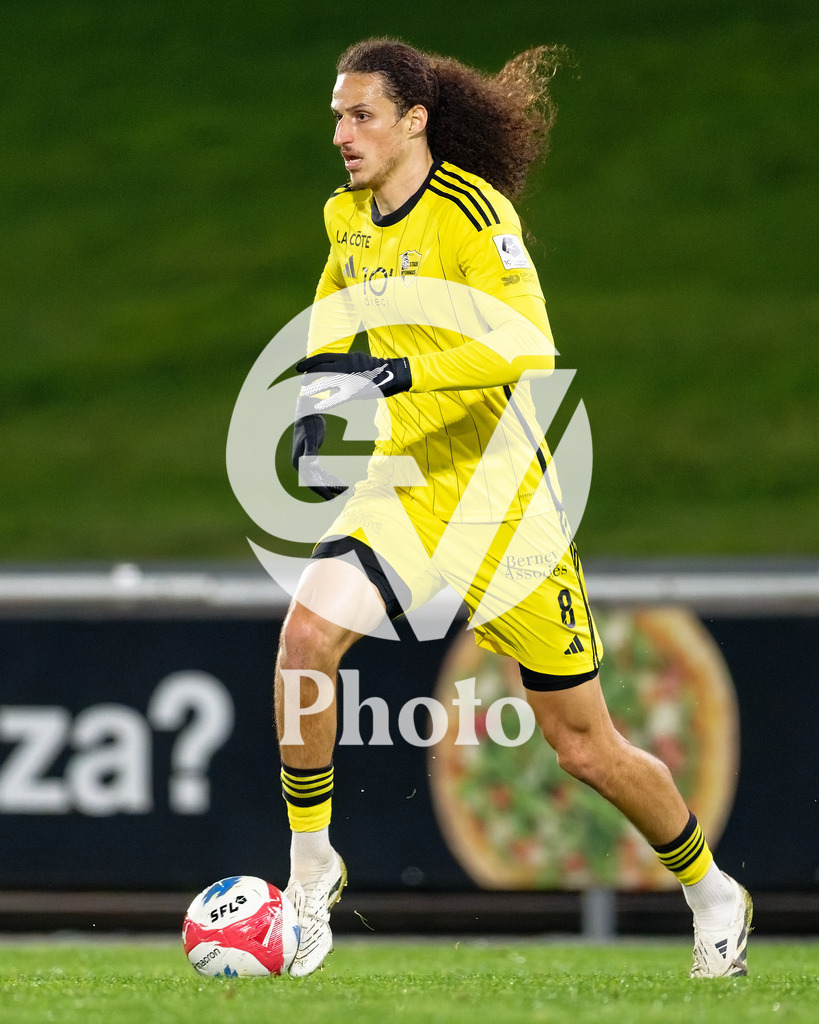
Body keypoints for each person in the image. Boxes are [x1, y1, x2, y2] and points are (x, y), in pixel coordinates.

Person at [276, 37, 752, 978]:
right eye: (336, 114)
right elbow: (336, 299)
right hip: (402, 490)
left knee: (584, 747)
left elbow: (526, 342)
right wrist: (315, 390)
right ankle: (310, 870)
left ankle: (710, 890)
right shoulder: (347, 218)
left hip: (501, 510)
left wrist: (399, 369)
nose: (341, 132)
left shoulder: (471, 210)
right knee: (304, 641)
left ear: (414, 119)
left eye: (360, 113)